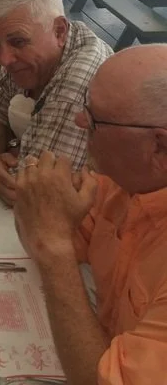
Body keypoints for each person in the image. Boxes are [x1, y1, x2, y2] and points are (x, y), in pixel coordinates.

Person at [13, 45, 167, 384]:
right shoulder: (124, 180)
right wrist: (41, 206)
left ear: (158, 146)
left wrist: (54, 248)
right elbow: (41, 229)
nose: (80, 121)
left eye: (95, 119)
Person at [0, 0, 112, 206]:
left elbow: (36, 193)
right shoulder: (25, 47)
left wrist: (6, 166)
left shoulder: (79, 80)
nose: (4, 59)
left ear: (60, 31)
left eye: (18, 42)